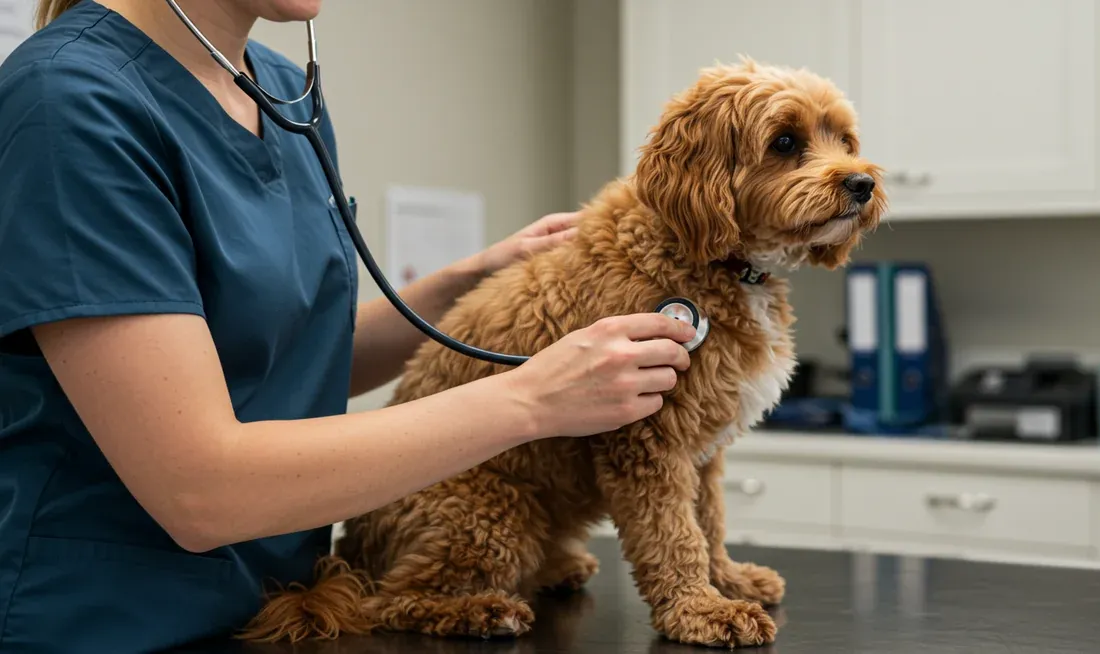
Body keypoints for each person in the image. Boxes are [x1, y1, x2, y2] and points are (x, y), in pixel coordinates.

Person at [0, 1, 695, 651]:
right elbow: (199, 489)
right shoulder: (70, 105)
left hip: (272, 610)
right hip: (103, 623)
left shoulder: (275, 87)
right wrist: (532, 401)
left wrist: (477, 283)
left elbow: (296, 363)